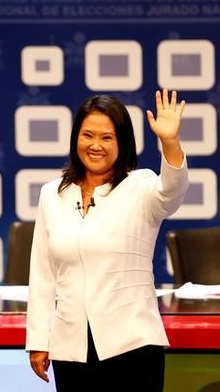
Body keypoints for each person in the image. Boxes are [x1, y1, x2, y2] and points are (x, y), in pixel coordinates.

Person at [25, 91, 188, 391]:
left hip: (133, 347)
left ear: (122, 142)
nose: (95, 145)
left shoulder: (141, 188)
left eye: (107, 138)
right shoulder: (52, 194)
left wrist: (169, 142)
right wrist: (37, 339)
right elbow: (42, 272)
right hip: (71, 348)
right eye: (87, 135)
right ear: (76, 139)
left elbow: (172, 192)